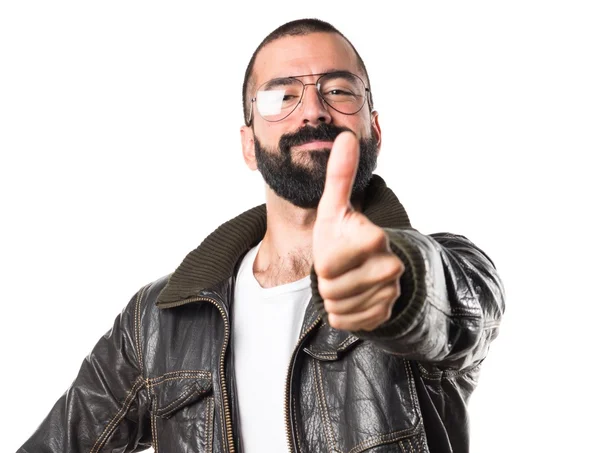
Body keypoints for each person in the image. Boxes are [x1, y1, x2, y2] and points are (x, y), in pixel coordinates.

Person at [18, 18, 505, 453]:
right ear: (249, 145)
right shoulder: (156, 320)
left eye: (338, 90)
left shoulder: (448, 265)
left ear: (374, 128)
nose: (312, 110)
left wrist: (396, 285)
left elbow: (455, 306)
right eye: (281, 96)